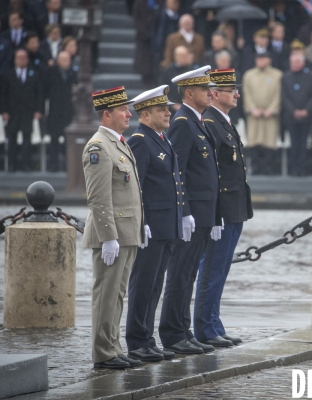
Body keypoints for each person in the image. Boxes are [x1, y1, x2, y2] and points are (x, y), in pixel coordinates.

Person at [159, 66, 222, 355]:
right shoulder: (183, 122)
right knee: (180, 274)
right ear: (189, 93)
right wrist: (183, 212)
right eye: (205, 89)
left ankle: (183, 329)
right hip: (192, 216)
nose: (212, 92)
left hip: (203, 215)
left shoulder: (197, 121)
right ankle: (172, 334)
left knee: (188, 275)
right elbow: (177, 172)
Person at [82, 86, 146, 370]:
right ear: (107, 114)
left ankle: (113, 345)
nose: (128, 113)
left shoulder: (118, 142)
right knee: (106, 294)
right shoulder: (98, 146)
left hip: (126, 233)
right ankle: (103, 352)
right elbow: (98, 197)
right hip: (112, 235)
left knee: (118, 294)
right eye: (123, 110)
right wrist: (108, 237)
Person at [195, 69, 253, 348]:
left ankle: (214, 323)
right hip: (221, 209)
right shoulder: (210, 122)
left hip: (234, 206)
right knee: (213, 269)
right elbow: (211, 174)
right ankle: (205, 328)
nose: (237, 94)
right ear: (216, 94)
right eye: (232, 91)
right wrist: (215, 213)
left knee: (222, 268)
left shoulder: (223, 121)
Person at [125, 85, 182, 363]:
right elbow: (138, 186)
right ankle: (136, 340)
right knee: (143, 283)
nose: (168, 113)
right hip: (152, 226)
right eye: (162, 110)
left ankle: (147, 338)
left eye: (168, 108)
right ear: (145, 115)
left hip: (167, 225)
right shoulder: (139, 140)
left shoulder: (162, 138)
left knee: (155, 284)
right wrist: (142, 222)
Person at [1, 48, 43, 172]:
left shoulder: (34, 74)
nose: (21, 60)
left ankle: (26, 165)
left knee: (27, 140)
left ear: (28, 60)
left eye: (24, 58)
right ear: (14, 60)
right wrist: (4, 111)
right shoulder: (8, 74)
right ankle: (12, 166)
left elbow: (39, 94)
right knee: (12, 139)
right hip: (12, 112)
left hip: (28, 112)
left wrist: (38, 110)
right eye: (19, 58)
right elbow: (3, 94)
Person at [242, 52, 282, 175]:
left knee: (269, 141)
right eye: (258, 58)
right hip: (254, 114)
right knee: (254, 141)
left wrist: (272, 110)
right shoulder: (249, 75)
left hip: (270, 115)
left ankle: (269, 169)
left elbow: (279, 95)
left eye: (263, 58)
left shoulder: (277, 75)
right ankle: (255, 168)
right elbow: (246, 93)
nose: (260, 61)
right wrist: (252, 109)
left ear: (269, 60)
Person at [281, 52, 312, 176]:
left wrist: (306, 110)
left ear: (303, 63)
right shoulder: (286, 77)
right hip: (291, 117)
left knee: (303, 144)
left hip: (306, 117)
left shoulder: (310, 77)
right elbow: (284, 96)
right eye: (292, 62)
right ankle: (293, 169)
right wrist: (293, 111)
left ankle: (302, 169)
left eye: (297, 62)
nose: (294, 64)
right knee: (293, 143)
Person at [44, 50, 75, 172]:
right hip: (55, 112)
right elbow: (44, 91)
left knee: (68, 141)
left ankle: (68, 167)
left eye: (68, 60)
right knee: (54, 140)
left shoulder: (74, 73)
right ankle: (53, 166)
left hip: (69, 112)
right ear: (58, 61)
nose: (67, 62)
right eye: (64, 60)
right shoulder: (50, 72)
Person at [161, 45, 196, 111]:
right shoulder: (168, 70)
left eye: (186, 56)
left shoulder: (192, 70)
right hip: (172, 106)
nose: (184, 58)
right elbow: (164, 89)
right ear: (175, 57)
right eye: (182, 56)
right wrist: (173, 103)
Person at [132, 0, 156, 89]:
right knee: (143, 60)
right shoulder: (139, 2)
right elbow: (136, 19)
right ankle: (146, 80)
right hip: (142, 37)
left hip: (155, 36)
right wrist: (145, 32)